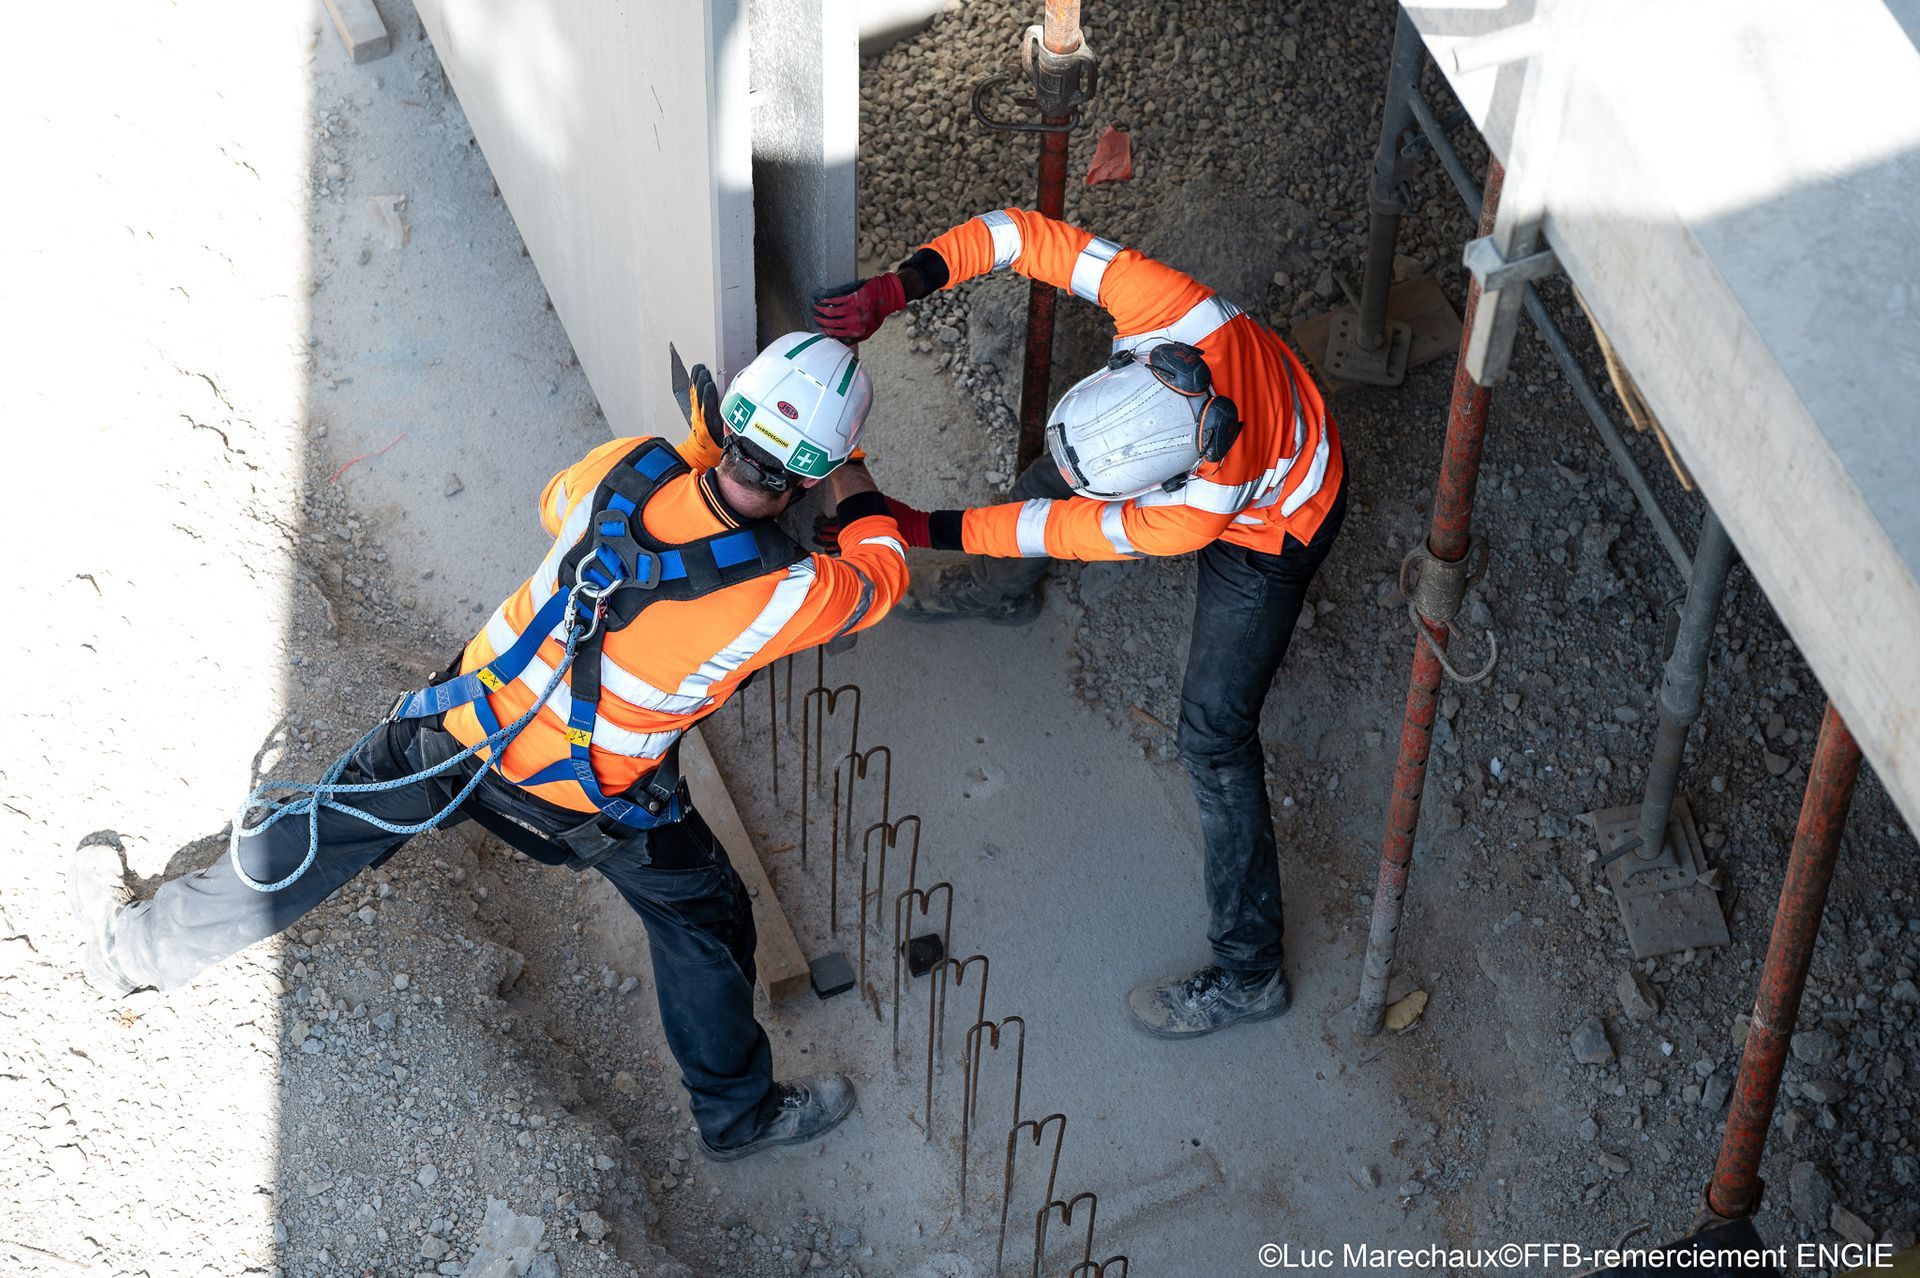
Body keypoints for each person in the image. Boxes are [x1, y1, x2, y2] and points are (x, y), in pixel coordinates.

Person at [69, 333, 910, 1160]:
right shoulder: (786, 590)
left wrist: (691, 451)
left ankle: (137, 951)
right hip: (589, 804)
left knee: (322, 829)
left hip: (455, 732)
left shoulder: (627, 465)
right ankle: (739, 1119)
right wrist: (853, 468)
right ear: (807, 475)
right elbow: (883, 571)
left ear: (728, 416)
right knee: (705, 917)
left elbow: (561, 508)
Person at [813, 210, 1346, 1040]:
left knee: (1213, 739)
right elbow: (1021, 235)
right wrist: (903, 283)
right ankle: (1001, 592)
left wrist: (916, 528)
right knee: (1047, 478)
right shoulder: (1169, 307)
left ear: (1163, 481)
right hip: (1254, 407)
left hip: (1284, 520)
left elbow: (1053, 528)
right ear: (1136, 359)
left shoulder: (1198, 514)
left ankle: (1250, 974)